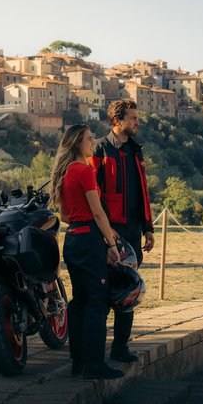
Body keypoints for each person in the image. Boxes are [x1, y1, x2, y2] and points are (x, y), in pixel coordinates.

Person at [50, 124, 124, 380]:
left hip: (72, 240)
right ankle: (94, 363)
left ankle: (78, 361)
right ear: (77, 143)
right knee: (97, 301)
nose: (93, 142)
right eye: (89, 139)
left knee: (80, 301)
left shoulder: (64, 171)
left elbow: (65, 214)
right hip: (90, 241)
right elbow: (97, 211)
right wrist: (111, 244)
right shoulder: (83, 170)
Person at [89, 99, 155, 363]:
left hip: (133, 233)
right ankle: (95, 353)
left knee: (129, 290)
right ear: (117, 121)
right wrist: (106, 232)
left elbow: (142, 192)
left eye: (137, 118)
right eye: (133, 118)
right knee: (105, 291)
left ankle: (120, 348)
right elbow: (93, 193)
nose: (137, 122)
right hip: (109, 234)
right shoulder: (99, 149)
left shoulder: (136, 150)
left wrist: (148, 228)